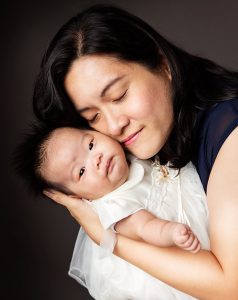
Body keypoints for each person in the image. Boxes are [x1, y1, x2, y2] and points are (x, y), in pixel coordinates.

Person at [32, 4, 238, 299]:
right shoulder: (153, 142)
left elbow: (232, 287)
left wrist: (107, 237)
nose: (114, 125)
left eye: (119, 95)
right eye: (93, 117)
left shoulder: (230, 132)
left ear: (162, 63)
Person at [15, 124, 209, 299]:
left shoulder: (132, 153)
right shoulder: (113, 205)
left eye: (90, 145)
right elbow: (145, 227)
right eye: (81, 171)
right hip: (174, 250)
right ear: (78, 197)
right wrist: (171, 232)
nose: (96, 159)